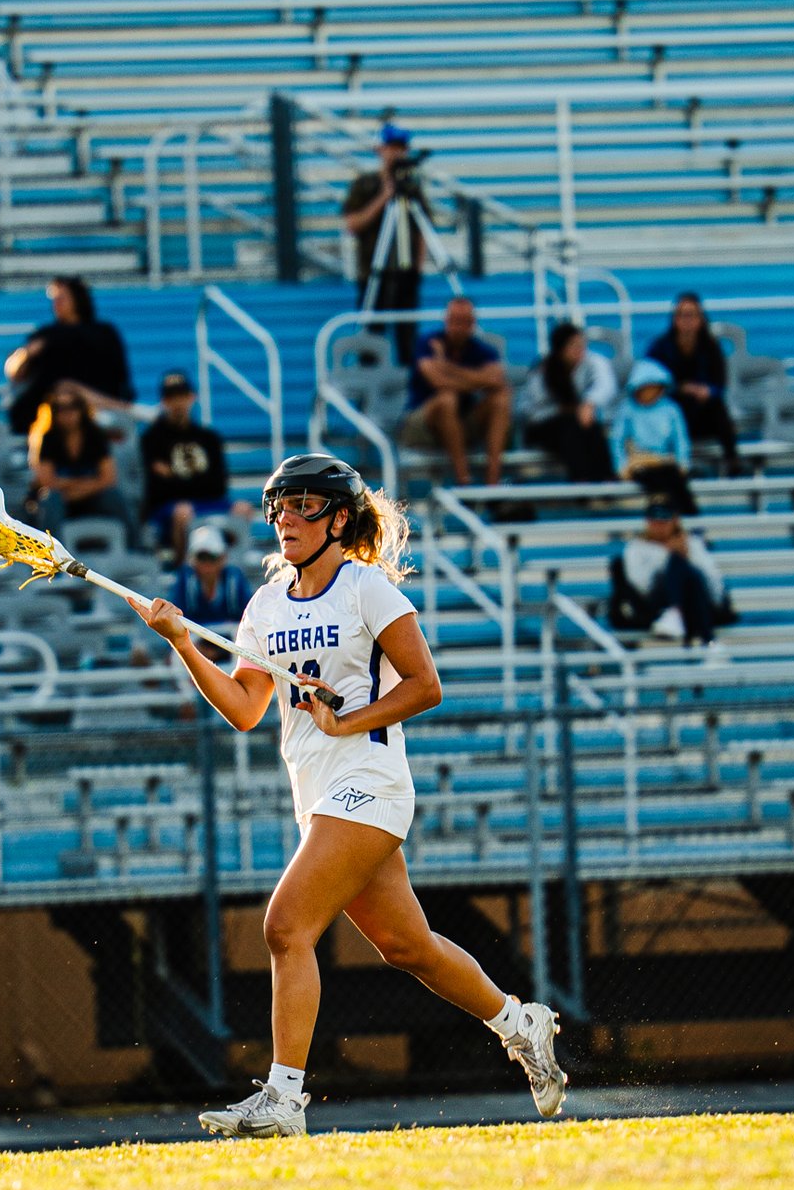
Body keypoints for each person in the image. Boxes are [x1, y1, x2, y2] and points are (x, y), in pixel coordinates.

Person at [130, 453, 568, 1136]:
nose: (286, 519)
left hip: (370, 782)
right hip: (318, 793)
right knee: (408, 947)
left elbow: (425, 686)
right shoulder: (265, 604)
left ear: (338, 519)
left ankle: (285, 1099)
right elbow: (245, 709)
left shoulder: (367, 588)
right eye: (279, 506)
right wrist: (184, 643)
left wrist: (347, 720)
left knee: (285, 927)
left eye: (304, 506)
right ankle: (521, 1023)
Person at [341, 122, 430, 366]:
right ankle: (368, 385)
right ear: (379, 149)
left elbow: (422, 227)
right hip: (374, 273)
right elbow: (352, 223)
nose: (397, 153)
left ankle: (409, 384)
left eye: (401, 148)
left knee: (408, 339)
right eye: (392, 147)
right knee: (371, 338)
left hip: (406, 274)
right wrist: (384, 197)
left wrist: (418, 267)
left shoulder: (412, 187)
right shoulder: (365, 184)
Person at [139, 370, 251, 559]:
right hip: (169, 509)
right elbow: (157, 490)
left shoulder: (209, 438)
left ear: (192, 397)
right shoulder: (151, 439)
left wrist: (173, 476)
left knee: (243, 509)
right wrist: (196, 481)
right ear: (163, 402)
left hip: (207, 502)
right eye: (172, 398)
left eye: (182, 396)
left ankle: (235, 564)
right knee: (183, 512)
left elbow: (218, 485)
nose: (178, 403)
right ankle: (183, 566)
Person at [403, 295, 512, 487]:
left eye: (464, 321)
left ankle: (493, 481)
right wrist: (478, 381)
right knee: (447, 399)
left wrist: (445, 366)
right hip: (423, 421)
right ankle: (464, 481)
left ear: (472, 323)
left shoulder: (483, 350)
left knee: (501, 399)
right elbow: (438, 382)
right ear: (446, 320)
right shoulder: (427, 343)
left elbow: (497, 381)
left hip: (463, 419)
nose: (458, 326)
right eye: (454, 320)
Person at [4, 276, 134, 436]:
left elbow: (120, 375)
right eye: (54, 299)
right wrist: (27, 353)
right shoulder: (45, 335)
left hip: (98, 408)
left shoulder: (103, 333)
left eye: (62, 298)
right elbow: (14, 372)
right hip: (49, 413)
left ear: (77, 298)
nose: (56, 303)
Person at [609, 499, 732, 647]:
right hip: (656, 605)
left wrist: (686, 556)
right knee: (677, 563)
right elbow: (641, 585)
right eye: (654, 521)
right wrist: (667, 555)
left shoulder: (692, 544)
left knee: (688, 574)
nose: (659, 526)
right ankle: (708, 641)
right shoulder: (636, 548)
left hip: (695, 603)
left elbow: (713, 581)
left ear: (674, 521)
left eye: (664, 521)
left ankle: (676, 613)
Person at [26, 384, 137, 545]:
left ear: (82, 408)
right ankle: (51, 554)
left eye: (74, 406)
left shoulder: (95, 436)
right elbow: (47, 483)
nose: (68, 413)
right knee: (51, 500)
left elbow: (109, 479)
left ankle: (135, 547)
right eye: (60, 408)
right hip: (61, 501)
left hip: (88, 498)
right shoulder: (48, 439)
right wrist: (88, 483)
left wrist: (69, 485)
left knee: (114, 497)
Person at [645, 293, 741, 473]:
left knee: (717, 407)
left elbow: (720, 384)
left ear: (700, 319)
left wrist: (707, 391)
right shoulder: (660, 347)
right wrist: (681, 388)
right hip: (673, 412)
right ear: (675, 319)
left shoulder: (711, 348)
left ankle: (732, 461)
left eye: (692, 315)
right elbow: (649, 382)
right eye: (682, 315)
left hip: (702, 413)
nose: (687, 321)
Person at [517, 319, 617, 482]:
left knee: (593, 429)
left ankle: (606, 480)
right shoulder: (542, 371)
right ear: (560, 349)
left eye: (581, 345)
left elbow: (606, 385)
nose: (580, 350)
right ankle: (581, 481)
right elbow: (529, 413)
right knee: (570, 428)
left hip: (576, 423)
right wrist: (562, 411)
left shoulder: (592, 362)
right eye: (573, 346)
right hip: (542, 427)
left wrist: (588, 403)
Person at [610, 358, 697, 515]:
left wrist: (683, 463)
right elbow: (617, 440)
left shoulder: (671, 409)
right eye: (646, 387)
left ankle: (688, 518)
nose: (649, 392)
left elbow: (680, 439)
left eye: (653, 387)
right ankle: (682, 517)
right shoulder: (627, 409)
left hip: (664, 461)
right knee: (665, 479)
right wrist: (621, 467)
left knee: (673, 477)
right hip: (638, 462)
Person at [167, 524, 251, 663]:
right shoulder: (185, 581)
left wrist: (220, 651)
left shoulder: (234, 579)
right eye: (201, 557)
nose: (207, 565)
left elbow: (248, 621)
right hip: (193, 652)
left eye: (212, 557)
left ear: (222, 558)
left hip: (233, 651)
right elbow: (175, 621)